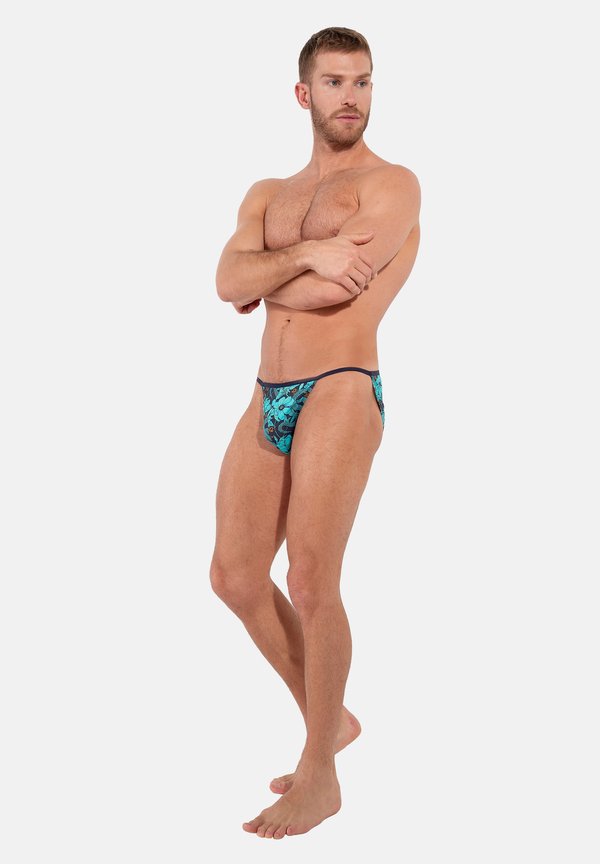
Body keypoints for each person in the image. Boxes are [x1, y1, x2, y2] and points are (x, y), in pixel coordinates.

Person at [210, 26, 421, 839]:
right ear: (305, 94)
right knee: (235, 577)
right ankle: (333, 718)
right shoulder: (268, 192)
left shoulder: (392, 184)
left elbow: (334, 293)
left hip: (340, 386)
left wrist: (273, 270)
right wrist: (310, 254)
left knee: (309, 579)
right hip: (268, 392)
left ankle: (320, 774)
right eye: (335, 82)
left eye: (363, 82)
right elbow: (226, 279)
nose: (351, 97)